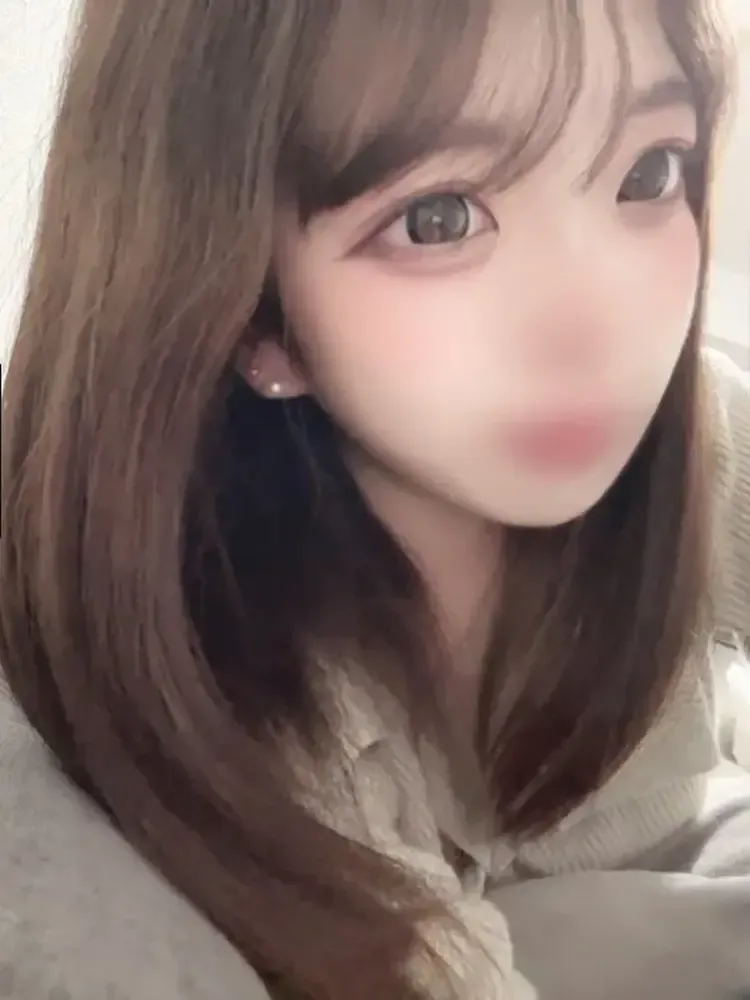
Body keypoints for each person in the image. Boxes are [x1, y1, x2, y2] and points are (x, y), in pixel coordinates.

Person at [0, 0, 749, 997]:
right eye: (438, 219)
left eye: (648, 172)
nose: (599, 324)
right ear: (252, 312)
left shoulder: (698, 437)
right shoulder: (260, 701)